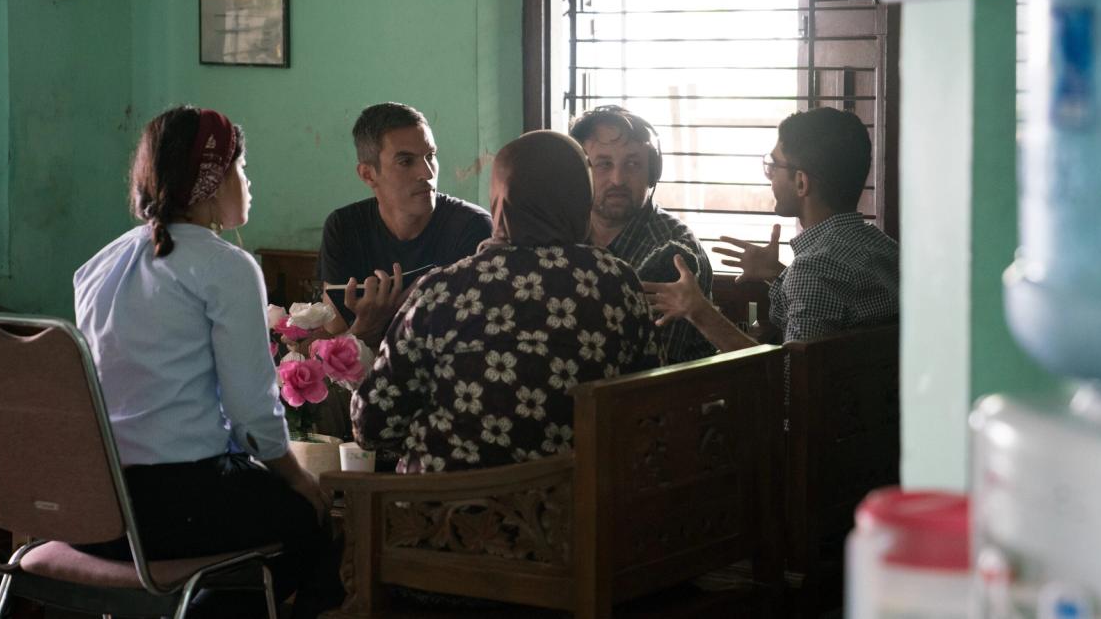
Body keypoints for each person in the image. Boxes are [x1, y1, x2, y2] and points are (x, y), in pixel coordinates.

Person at [72, 106, 338, 616]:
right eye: (241, 167)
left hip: (95, 509)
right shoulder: (224, 266)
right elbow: (250, 414)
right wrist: (299, 479)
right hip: (174, 509)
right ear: (212, 179)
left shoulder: (99, 265)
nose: (248, 181)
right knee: (314, 521)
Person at [351, 130, 659, 473]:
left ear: (499, 199)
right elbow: (646, 406)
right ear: (581, 198)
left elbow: (371, 425)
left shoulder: (442, 291)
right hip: (580, 514)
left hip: (446, 517)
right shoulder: (617, 282)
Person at [643, 107, 898, 350]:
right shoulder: (887, 249)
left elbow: (791, 383)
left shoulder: (811, 271)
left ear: (801, 182)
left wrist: (699, 311)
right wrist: (776, 273)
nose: (769, 175)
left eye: (774, 165)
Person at [318, 102, 492, 342]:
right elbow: (334, 330)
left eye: (430, 156)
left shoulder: (472, 227)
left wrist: (385, 321)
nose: (428, 173)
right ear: (368, 174)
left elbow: (471, 335)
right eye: (406, 162)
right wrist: (367, 327)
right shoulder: (344, 227)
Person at [569, 105, 715, 365]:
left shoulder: (674, 250)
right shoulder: (561, 232)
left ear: (652, 173)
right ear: (579, 172)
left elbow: (652, 365)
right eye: (603, 164)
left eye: (633, 164)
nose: (618, 179)